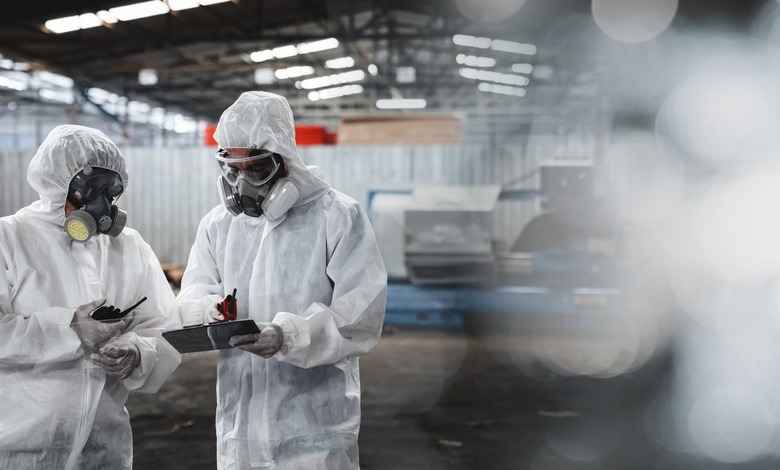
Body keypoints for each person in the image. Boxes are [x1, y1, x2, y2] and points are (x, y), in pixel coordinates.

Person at [178, 91, 387, 469]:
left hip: (315, 426)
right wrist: (208, 310)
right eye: (232, 168)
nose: (242, 182)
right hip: (239, 425)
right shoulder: (218, 225)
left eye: (255, 167)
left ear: (283, 158)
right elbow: (193, 291)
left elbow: (361, 313)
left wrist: (286, 336)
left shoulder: (336, 215)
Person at [0, 125, 181, 469]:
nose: (102, 203)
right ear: (55, 183)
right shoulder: (9, 239)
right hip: (20, 450)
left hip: (104, 451)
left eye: (110, 189)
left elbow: (164, 327)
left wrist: (138, 352)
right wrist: (69, 329)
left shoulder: (129, 247)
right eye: (91, 189)